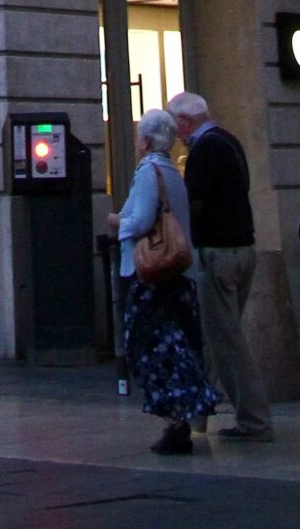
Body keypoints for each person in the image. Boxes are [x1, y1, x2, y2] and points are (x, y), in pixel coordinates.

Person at [109, 108, 218, 454]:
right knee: (178, 341)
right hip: (178, 274)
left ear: (145, 141)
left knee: (152, 344)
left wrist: (117, 223)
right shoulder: (172, 171)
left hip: (153, 273)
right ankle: (183, 415)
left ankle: (175, 418)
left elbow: (140, 220)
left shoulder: (148, 172)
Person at [167, 91, 273, 442]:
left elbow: (192, 201)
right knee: (218, 338)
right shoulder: (228, 141)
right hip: (241, 247)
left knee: (227, 341)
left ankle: (254, 420)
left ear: (186, 120)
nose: (176, 135)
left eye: (175, 125)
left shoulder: (205, 148)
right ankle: (197, 415)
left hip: (218, 251)